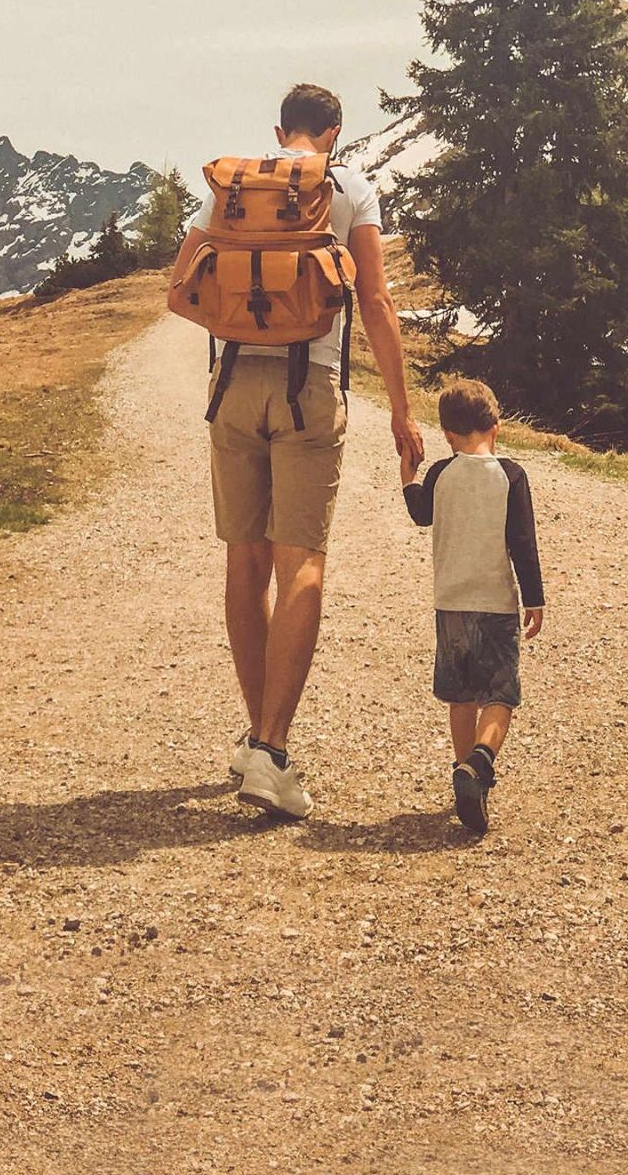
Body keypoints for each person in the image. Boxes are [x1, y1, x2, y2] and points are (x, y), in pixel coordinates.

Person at [167, 84, 424, 820]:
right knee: (301, 559)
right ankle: (272, 749)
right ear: (335, 133)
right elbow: (374, 301)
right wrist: (401, 412)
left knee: (244, 562)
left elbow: (178, 294)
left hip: (232, 388)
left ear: (279, 130)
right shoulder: (349, 188)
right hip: (310, 387)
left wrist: (235, 323)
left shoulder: (235, 187)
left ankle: (258, 737)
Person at [400, 379, 545, 834]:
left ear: (447, 434)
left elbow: (421, 513)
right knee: (500, 695)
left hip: (450, 605)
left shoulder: (441, 473)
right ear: (496, 427)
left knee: (461, 696)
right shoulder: (511, 475)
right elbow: (523, 542)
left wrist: (409, 475)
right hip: (496, 605)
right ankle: (480, 766)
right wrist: (535, 596)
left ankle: (465, 775)